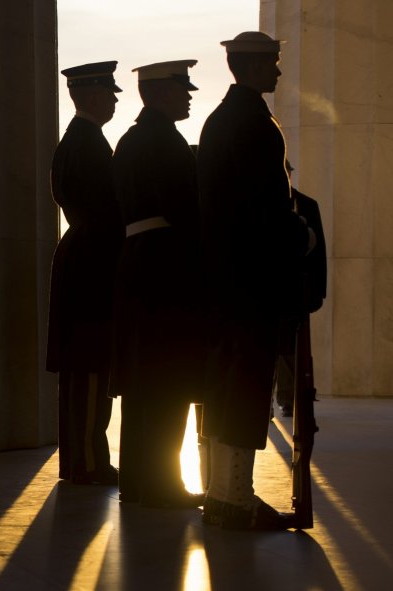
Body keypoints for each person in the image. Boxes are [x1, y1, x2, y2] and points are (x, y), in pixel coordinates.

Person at [196, 32, 316, 530]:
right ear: (253, 66)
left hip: (223, 275)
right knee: (247, 386)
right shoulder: (257, 125)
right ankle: (237, 498)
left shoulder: (218, 120)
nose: (280, 72)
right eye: (273, 63)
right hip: (253, 277)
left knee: (229, 386)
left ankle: (224, 496)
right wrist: (304, 235)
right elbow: (267, 208)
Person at [110, 60, 206, 508]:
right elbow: (186, 208)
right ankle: (163, 484)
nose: (188, 96)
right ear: (159, 94)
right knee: (168, 379)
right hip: (167, 268)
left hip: (137, 263)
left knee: (143, 382)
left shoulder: (130, 140)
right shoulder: (165, 142)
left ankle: (138, 479)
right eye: (181, 90)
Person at [46, 61, 125, 485]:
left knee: (84, 369)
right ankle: (88, 463)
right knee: (91, 366)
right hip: (93, 264)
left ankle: (83, 459)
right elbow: (108, 211)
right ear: (92, 96)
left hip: (82, 258)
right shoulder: (90, 144)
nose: (114, 100)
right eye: (109, 94)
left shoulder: (77, 141)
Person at [273, 160, 327, 417]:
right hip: (268, 289)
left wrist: (318, 292)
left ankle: (287, 397)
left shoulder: (307, 205)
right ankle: (275, 400)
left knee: (288, 348)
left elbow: (319, 255)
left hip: (294, 290)